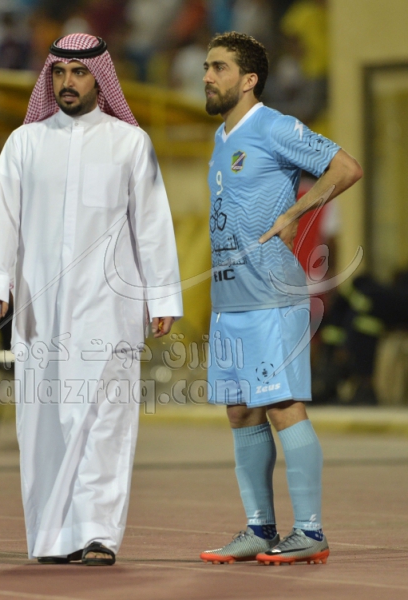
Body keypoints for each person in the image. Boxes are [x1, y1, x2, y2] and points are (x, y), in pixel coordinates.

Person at [0, 33, 183, 566]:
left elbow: (153, 224)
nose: (67, 82)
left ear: (100, 78)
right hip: (38, 310)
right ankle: (53, 537)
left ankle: (97, 533)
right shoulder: (24, 143)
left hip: (108, 308)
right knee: (42, 422)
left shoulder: (130, 143)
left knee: (104, 419)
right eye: (59, 72)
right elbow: (4, 219)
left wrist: (162, 295)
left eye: (79, 72)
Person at [199, 32, 362, 565]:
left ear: (249, 79)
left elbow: (346, 167)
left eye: (219, 68)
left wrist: (295, 212)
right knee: (242, 411)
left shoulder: (274, 127)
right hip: (230, 301)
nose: (207, 76)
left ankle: (310, 531)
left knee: (283, 405)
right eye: (206, 67)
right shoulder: (222, 136)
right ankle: (259, 528)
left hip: (271, 297)